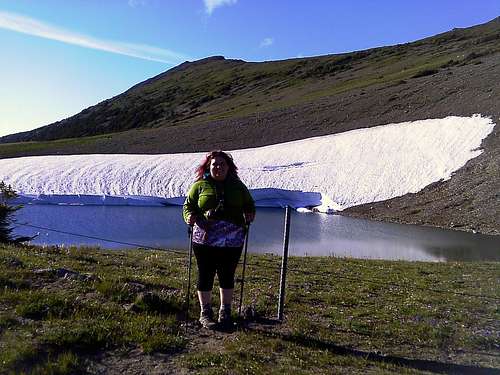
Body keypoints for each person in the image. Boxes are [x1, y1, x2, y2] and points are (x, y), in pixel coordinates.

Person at [183, 150, 255, 329]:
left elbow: (249, 203)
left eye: (222, 164)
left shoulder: (238, 186)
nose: (218, 167)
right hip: (204, 238)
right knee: (205, 273)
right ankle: (205, 313)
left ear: (228, 167)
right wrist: (189, 216)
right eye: (215, 164)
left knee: (227, 274)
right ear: (209, 166)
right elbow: (188, 205)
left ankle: (225, 312)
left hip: (232, 238)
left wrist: (250, 213)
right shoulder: (199, 185)